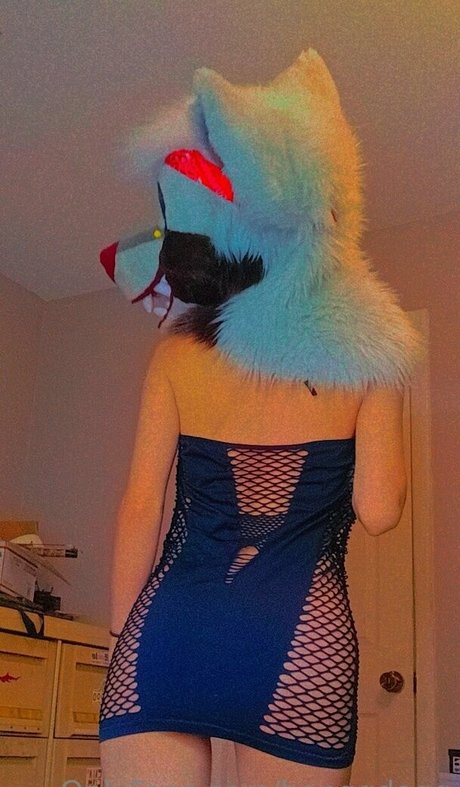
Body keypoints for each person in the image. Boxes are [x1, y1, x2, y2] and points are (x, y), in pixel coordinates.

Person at [98, 50, 426, 787]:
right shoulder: (369, 355)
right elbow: (379, 510)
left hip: (170, 625)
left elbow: (141, 505)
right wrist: (380, 367)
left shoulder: (177, 357)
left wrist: (123, 635)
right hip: (298, 633)